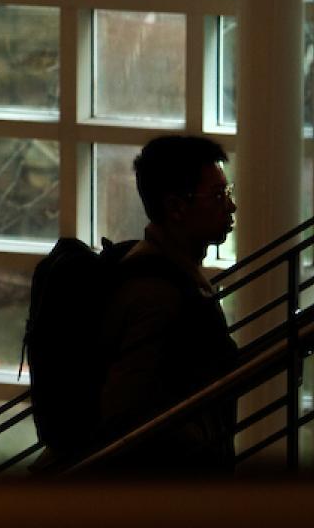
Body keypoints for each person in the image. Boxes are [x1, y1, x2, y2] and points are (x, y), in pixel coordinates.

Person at [96, 135, 239, 474]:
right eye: (219, 196)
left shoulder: (174, 277)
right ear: (176, 207)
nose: (231, 206)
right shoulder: (157, 295)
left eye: (227, 192)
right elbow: (128, 412)